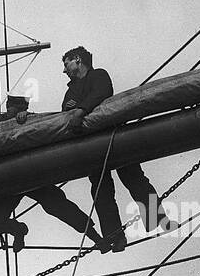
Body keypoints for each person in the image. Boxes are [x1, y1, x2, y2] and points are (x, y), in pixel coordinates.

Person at [61, 46, 175, 251]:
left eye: (66, 63)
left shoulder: (99, 75)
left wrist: (81, 111)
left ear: (78, 60)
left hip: (114, 136)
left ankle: (157, 219)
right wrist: (78, 112)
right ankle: (116, 237)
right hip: (91, 145)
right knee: (101, 192)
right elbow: (66, 112)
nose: (64, 70)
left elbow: (102, 92)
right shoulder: (70, 91)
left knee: (134, 178)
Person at [0, 97, 109, 253]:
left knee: (59, 207)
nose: (11, 110)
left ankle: (97, 238)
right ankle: (19, 230)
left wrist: (30, 117)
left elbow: (51, 125)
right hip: (7, 180)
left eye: (16, 107)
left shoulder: (33, 119)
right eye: (11, 106)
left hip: (31, 174)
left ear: (23, 107)